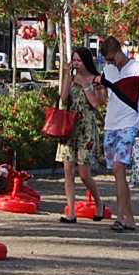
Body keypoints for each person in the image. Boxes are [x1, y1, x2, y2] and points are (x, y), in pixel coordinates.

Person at [99, 34, 139, 232]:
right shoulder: (108, 71)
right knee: (116, 171)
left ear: (120, 52)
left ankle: (120, 216)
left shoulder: (138, 70)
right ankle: (129, 218)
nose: (111, 63)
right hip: (110, 124)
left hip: (129, 123)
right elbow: (103, 99)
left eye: (113, 59)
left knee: (118, 168)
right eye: (108, 61)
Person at [56, 45, 108, 222]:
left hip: (86, 126)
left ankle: (99, 202)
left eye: (79, 60)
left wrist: (85, 84)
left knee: (84, 173)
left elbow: (96, 104)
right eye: (74, 60)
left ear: (86, 61)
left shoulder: (96, 79)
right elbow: (63, 98)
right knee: (68, 170)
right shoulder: (71, 77)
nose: (76, 64)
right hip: (69, 126)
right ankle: (71, 211)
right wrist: (66, 76)